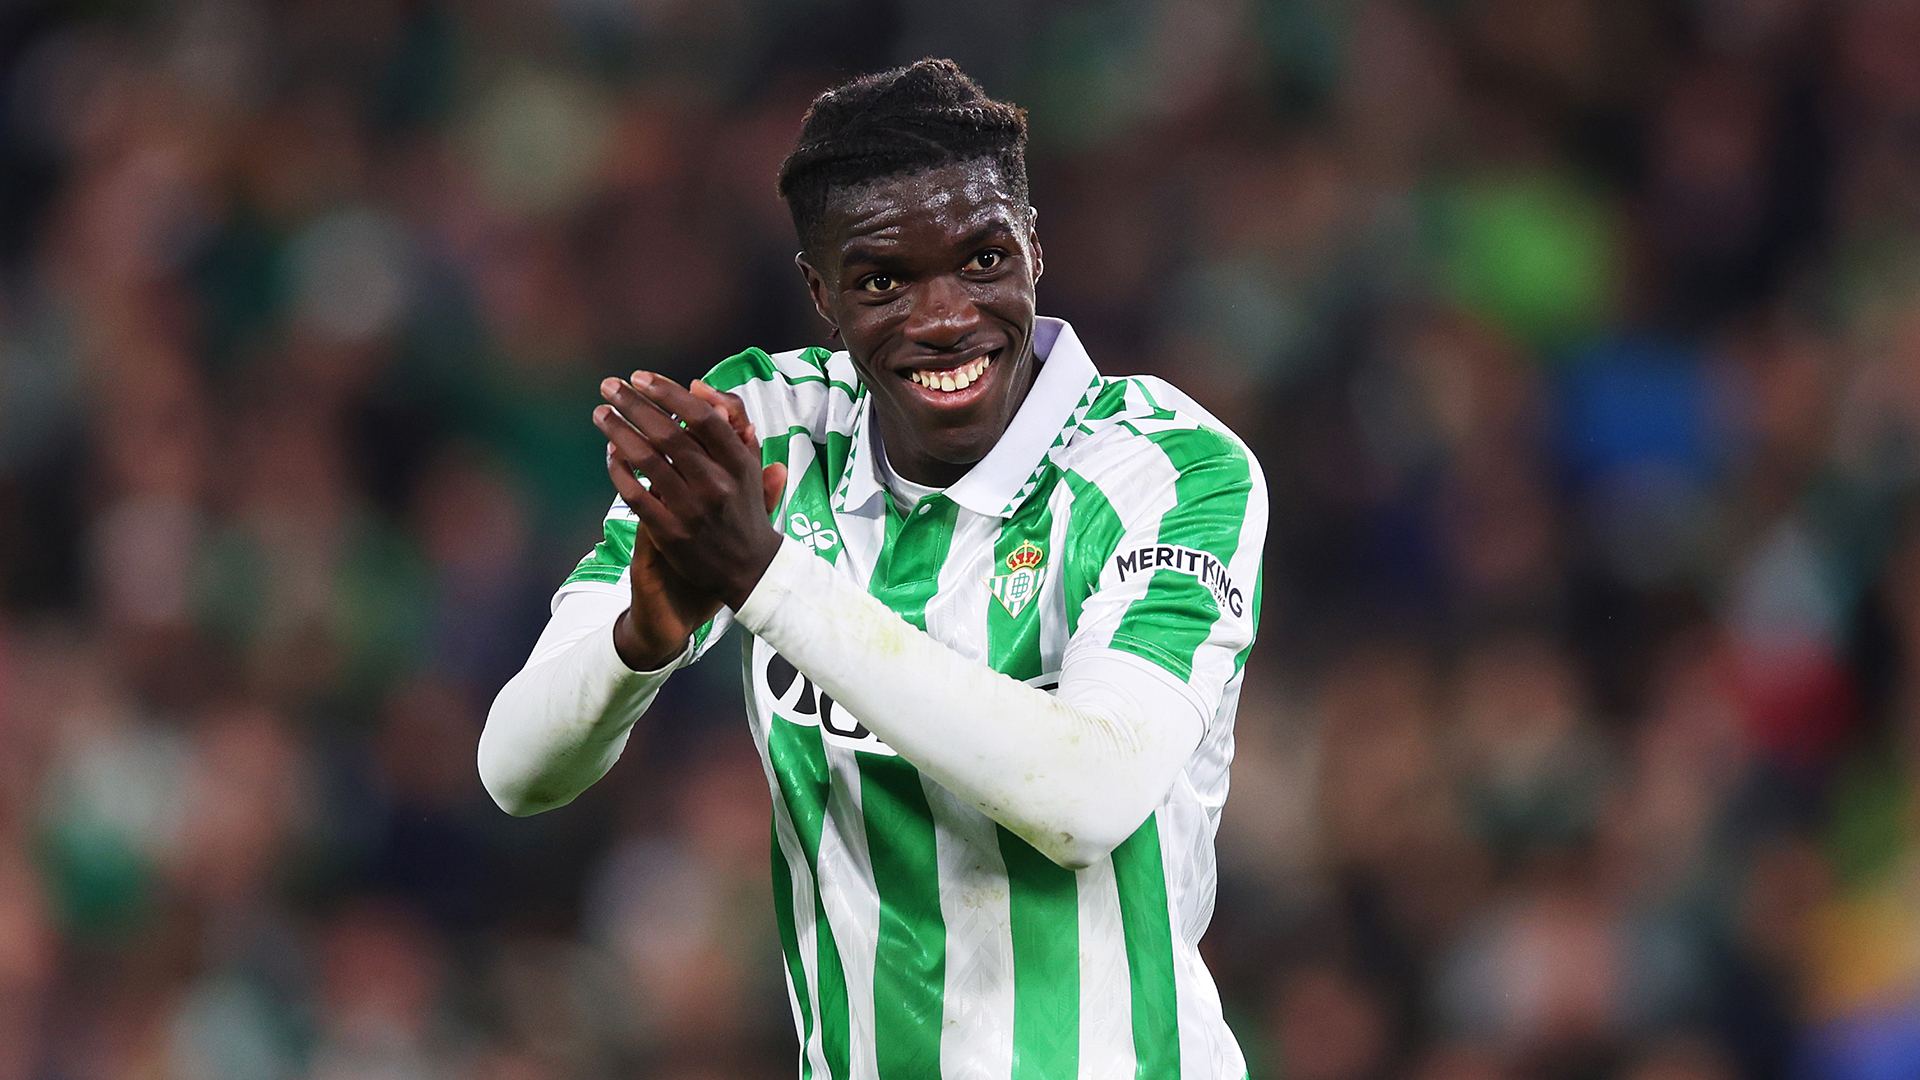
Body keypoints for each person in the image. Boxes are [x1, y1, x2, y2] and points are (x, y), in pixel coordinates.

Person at [479, 58, 1267, 1079]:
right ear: (821, 293)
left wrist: (767, 581)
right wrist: (645, 632)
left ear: (1035, 247)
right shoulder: (765, 433)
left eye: (983, 260)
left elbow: (1086, 797)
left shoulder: (1167, 470)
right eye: (884, 279)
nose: (944, 317)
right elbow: (515, 770)